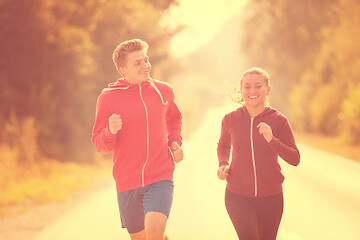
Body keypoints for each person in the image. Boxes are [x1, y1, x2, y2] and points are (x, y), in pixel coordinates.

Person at [92, 39, 183, 240]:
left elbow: (175, 118)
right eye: (137, 63)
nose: (145, 66)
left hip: (160, 177)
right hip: (127, 183)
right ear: (123, 70)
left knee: (153, 234)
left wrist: (174, 141)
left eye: (146, 60)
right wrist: (109, 130)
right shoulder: (108, 98)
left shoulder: (163, 90)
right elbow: (100, 143)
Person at [217, 67, 300, 240]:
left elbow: (294, 158)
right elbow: (223, 145)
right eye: (247, 87)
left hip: (271, 198)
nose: (252, 91)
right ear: (241, 90)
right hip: (237, 196)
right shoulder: (230, 119)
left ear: (267, 89)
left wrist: (272, 140)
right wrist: (223, 164)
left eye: (258, 86)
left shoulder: (278, 120)